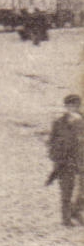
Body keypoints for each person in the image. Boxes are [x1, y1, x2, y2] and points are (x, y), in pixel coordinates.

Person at [47, 95, 84, 226]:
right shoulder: (59, 122)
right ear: (66, 107)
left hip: (81, 160)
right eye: (69, 105)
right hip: (64, 161)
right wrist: (55, 157)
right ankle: (66, 218)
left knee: (81, 191)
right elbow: (51, 141)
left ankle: (76, 211)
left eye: (75, 105)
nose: (72, 108)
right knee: (66, 190)